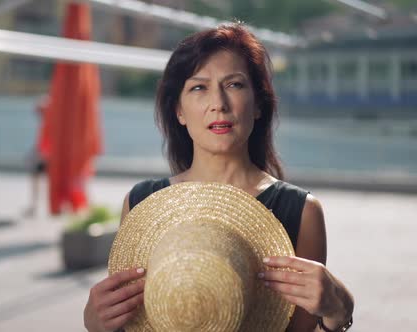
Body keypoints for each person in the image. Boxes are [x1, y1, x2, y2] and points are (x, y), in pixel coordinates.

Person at [84, 23, 354, 332]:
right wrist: (96, 325)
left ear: (258, 105)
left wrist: (336, 314)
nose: (219, 104)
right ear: (179, 112)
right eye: (199, 87)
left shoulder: (300, 210)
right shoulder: (142, 203)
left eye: (234, 85)